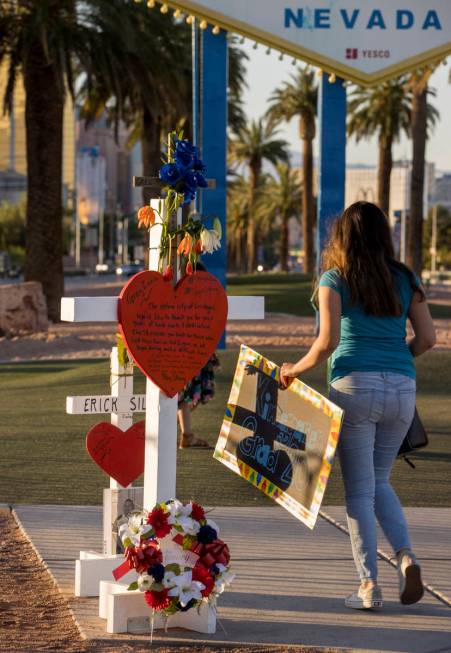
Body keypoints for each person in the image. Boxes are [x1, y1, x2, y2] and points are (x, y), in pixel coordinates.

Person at [280, 201, 436, 611]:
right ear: (384, 234)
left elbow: (327, 342)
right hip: (402, 388)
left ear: (342, 237)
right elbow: (428, 339)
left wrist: (293, 370)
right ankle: (406, 557)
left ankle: (369, 586)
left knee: (360, 493)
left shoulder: (336, 278)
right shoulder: (405, 278)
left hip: (354, 386)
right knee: (380, 482)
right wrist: (395, 358)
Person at [177, 261, 220, 449]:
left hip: (190, 349)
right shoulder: (197, 299)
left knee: (181, 396)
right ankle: (185, 435)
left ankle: (187, 435)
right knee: (180, 396)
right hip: (188, 350)